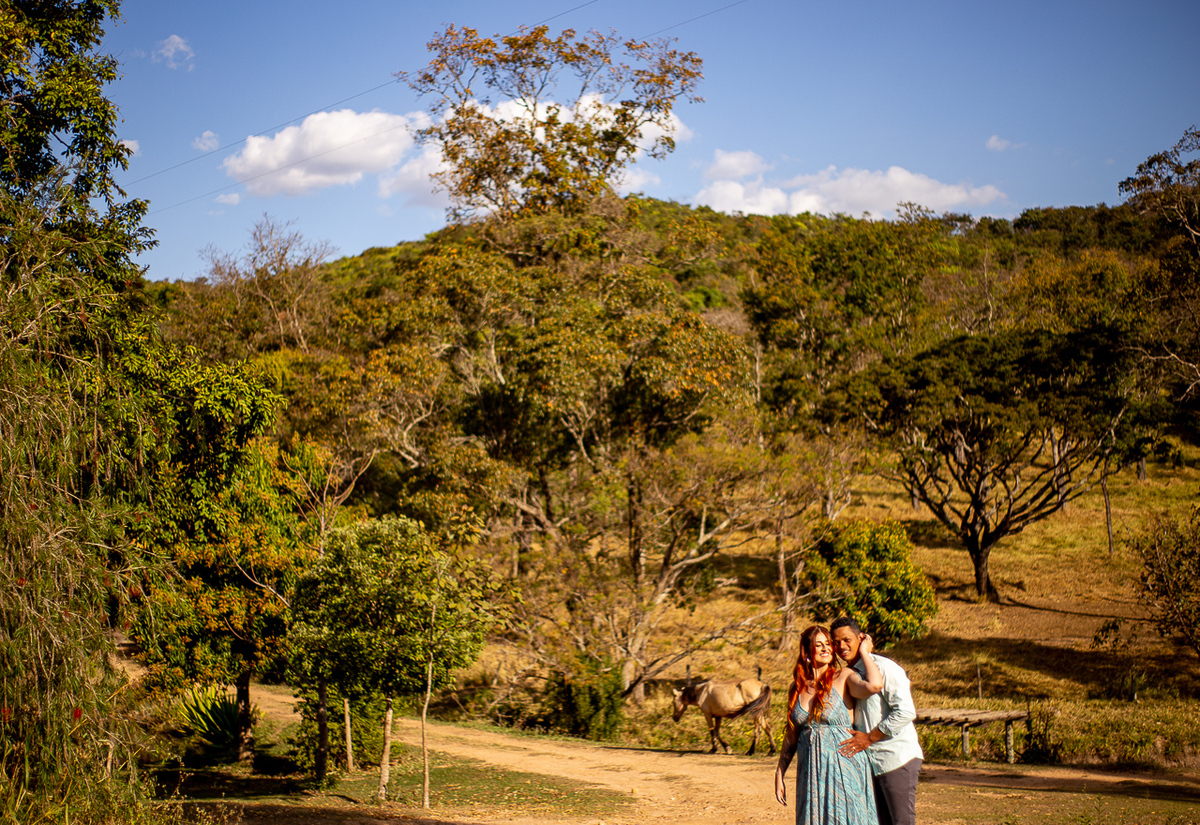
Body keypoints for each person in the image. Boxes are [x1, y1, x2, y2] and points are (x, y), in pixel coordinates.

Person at [774, 624, 884, 825]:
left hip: (843, 765)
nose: (826, 649)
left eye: (828, 644)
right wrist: (780, 771)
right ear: (807, 651)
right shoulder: (797, 687)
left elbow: (875, 685)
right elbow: (791, 734)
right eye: (818, 645)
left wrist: (864, 652)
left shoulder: (844, 677)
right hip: (810, 771)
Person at [831, 616, 923, 825]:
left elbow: (906, 711)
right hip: (869, 763)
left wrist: (870, 738)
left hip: (895, 758)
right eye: (836, 642)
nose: (841, 647)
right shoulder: (848, 674)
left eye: (847, 640)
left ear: (861, 638)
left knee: (901, 821)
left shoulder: (885, 668)